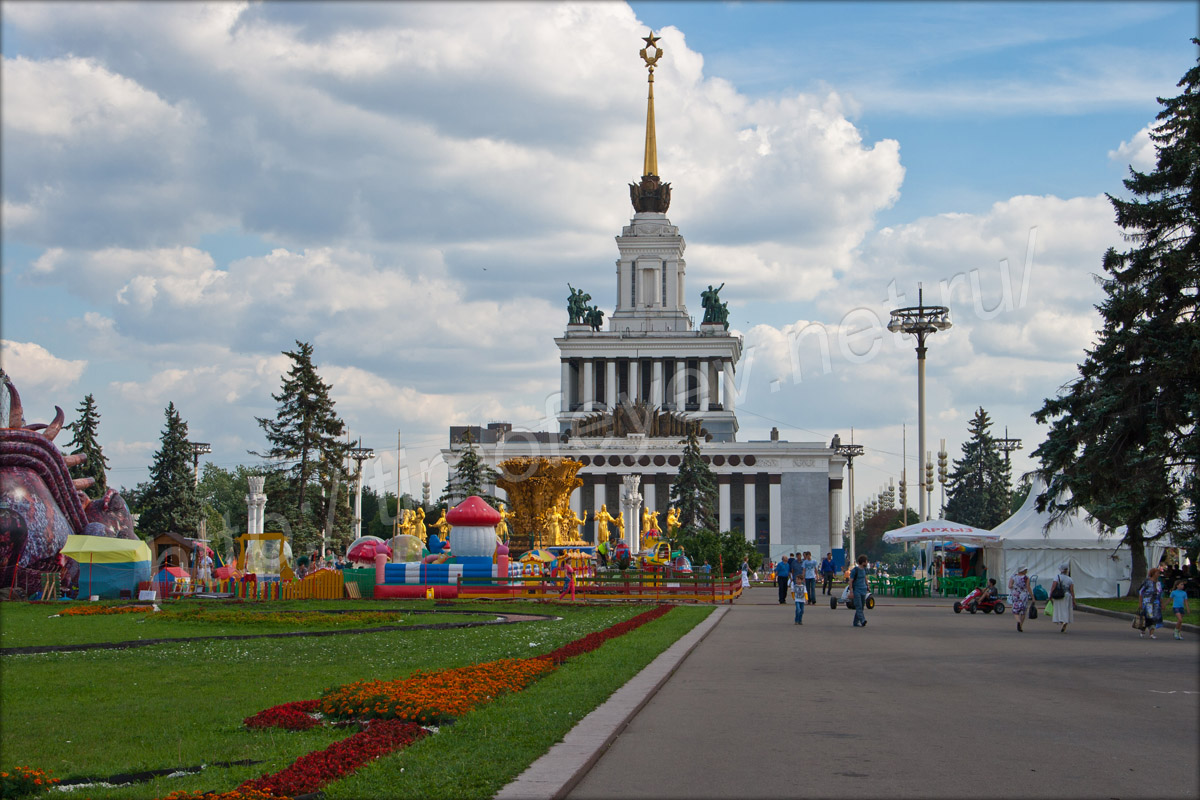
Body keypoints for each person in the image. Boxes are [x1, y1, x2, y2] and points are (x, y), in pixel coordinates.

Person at [1138, 567, 1164, 639]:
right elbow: (1140, 592)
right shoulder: (1147, 581)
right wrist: (1140, 603)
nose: (1158, 574)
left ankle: (1151, 633)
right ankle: (1143, 629)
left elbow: (1160, 593)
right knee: (1148, 617)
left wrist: (1162, 604)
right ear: (1153, 573)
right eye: (1157, 573)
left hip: (1156, 602)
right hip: (1148, 602)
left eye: (1159, 573)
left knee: (1155, 617)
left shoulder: (1158, 583)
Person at [1050, 564, 1075, 633]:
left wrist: (1050, 595)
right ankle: (1065, 623)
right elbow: (1072, 590)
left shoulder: (1057, 577)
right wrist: (1073, 599)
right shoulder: (1070, 579)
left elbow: (1053, 587)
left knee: (1059, 609)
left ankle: (1060, 619)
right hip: (1067, 595)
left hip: (1059, 595)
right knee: (1067, 609)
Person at [1009, 565, 1033, 632]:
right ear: (1023, 571)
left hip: (1015, 594)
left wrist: (1014, 587)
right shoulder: (1026, 578)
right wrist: (1032, 596)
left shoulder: (1013, 576)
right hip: (1024, 594)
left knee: (1015, 610)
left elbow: (1009, 585)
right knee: (1023, 611)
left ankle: (1018, 621)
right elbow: (1028, 587)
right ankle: (1021, 625)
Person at [850, 555, 869, 627]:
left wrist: (867, 585)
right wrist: (851, 591)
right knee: (858, 606)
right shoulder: (855, 570)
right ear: (863, 562)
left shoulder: (864, 570)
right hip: (857, 590)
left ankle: (855, 622)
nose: (867, 563)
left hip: (863, 590)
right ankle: (862, 620)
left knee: (861, 607)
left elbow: (865, 578)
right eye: (866, 561)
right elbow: (850, 581)